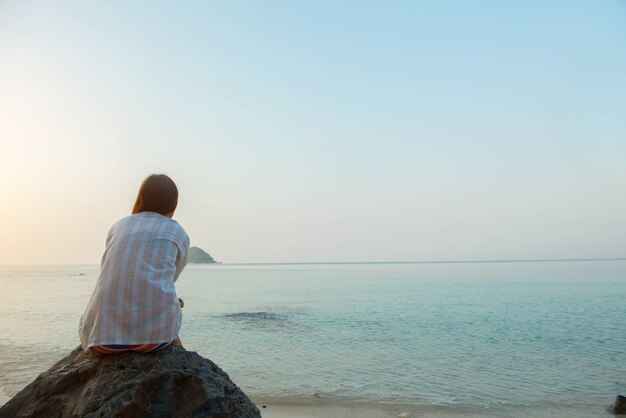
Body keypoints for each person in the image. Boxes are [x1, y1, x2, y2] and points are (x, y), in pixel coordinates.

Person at [79, 174, 190, 354]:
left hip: (102, 341)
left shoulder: (118, 226)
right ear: (172, 205)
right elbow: (170, 278)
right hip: (155, 341)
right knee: (174, 340)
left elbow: (110, 272)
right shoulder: (177, 231)